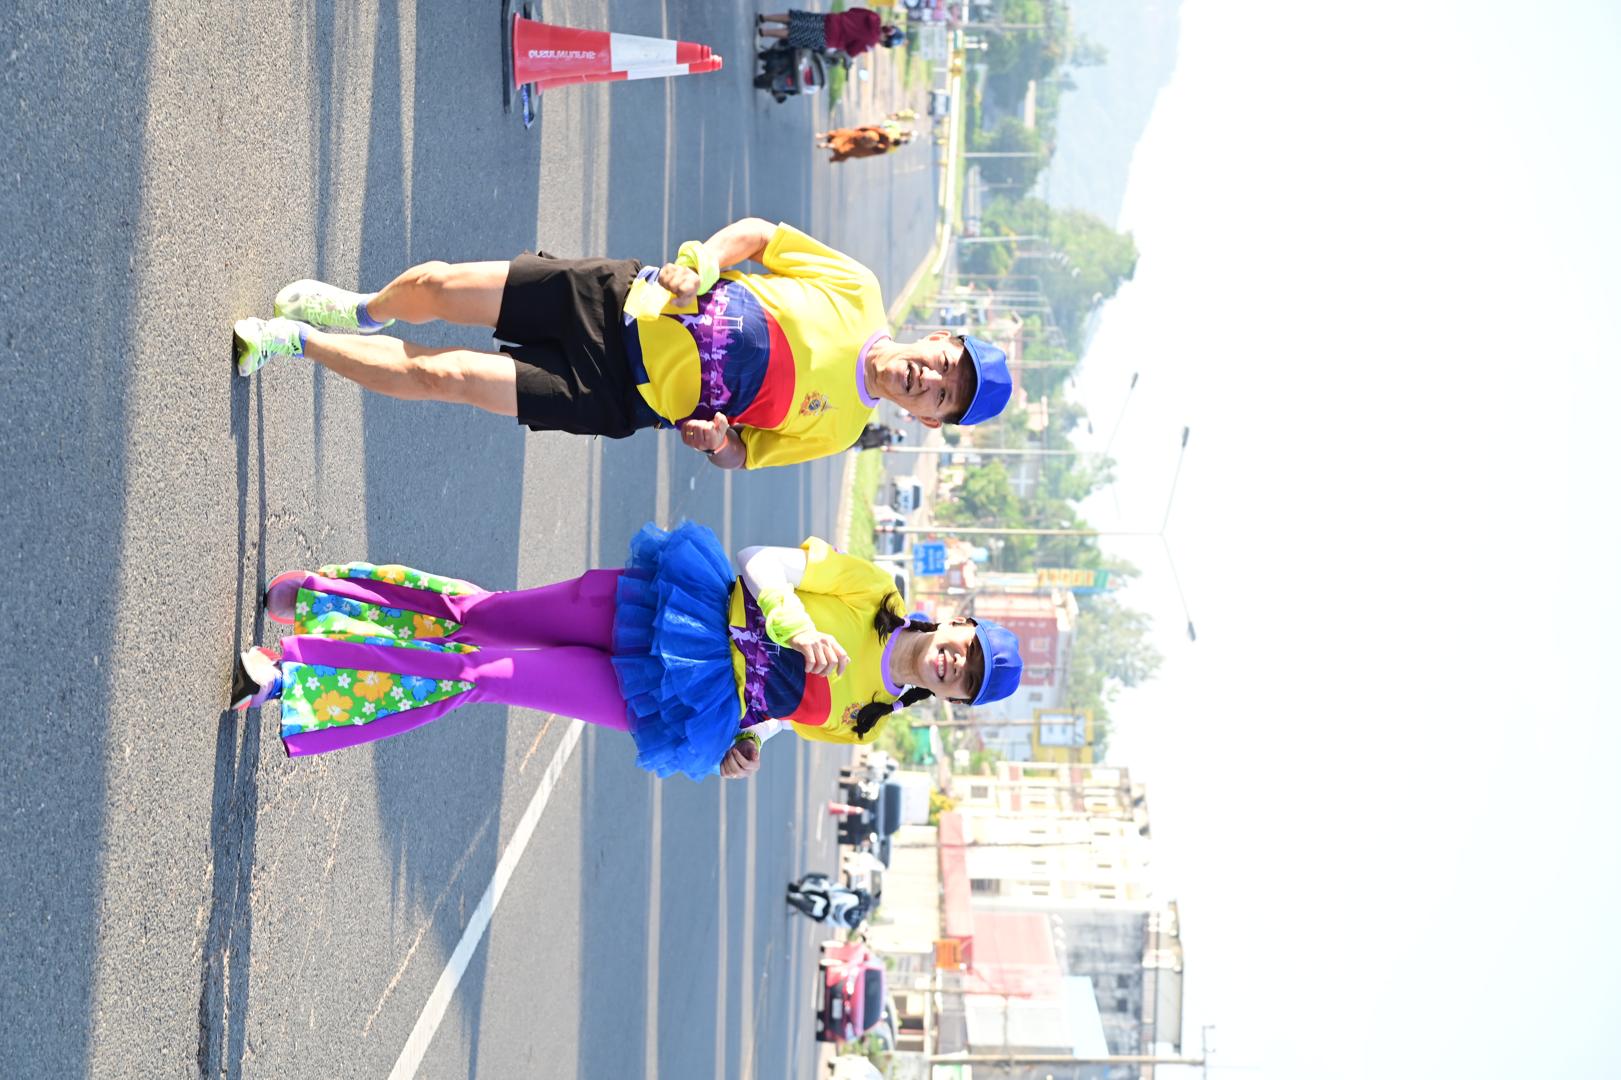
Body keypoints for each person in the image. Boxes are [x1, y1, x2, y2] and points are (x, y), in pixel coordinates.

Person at [229, 524, 1024, 780]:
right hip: (670, 605)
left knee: (479, 677)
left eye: (968, 682)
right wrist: (793, 625)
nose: (956, 666)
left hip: (672, 700)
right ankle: (336, 604)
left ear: (953, 701)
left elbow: (783, 716)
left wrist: (743, 746)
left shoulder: (866, 721)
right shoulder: (873, 589)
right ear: (958, 624)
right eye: (968, 650)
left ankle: (300, 676)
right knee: (480, 617)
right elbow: (761, 561)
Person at [232, 218, 1014, 470]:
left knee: (449, 378)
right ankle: (364, 310)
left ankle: (297, 343)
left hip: (614, 397)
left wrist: (716, 443)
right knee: (437, 288)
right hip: (616, 298)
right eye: (945, 365)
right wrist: (701, 265)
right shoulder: (857, 289)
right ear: (939, 337)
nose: (929, 379)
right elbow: (756, 237)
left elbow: (743, 454)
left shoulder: (839, 429)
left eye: (942, 397)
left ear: (927, 419)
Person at [756, 9, 905, 58]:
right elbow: (851, 51)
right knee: (795, 34)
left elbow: (853, 10)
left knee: (796, 18)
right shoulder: (869, 44)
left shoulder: (875, 17)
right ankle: (764, 32)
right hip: (830, 37)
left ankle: (764, 18)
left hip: (831, 20)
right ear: (885, 41)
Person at [815, 125, 896, 163]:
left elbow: (872, 128)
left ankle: (822, 136)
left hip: (862, 136)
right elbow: (876, 150)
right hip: (863, 143)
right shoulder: (886, 146)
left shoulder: (885, 134)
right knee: (845, 148)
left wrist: (860, 129)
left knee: (842, 134)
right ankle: (827, 144)